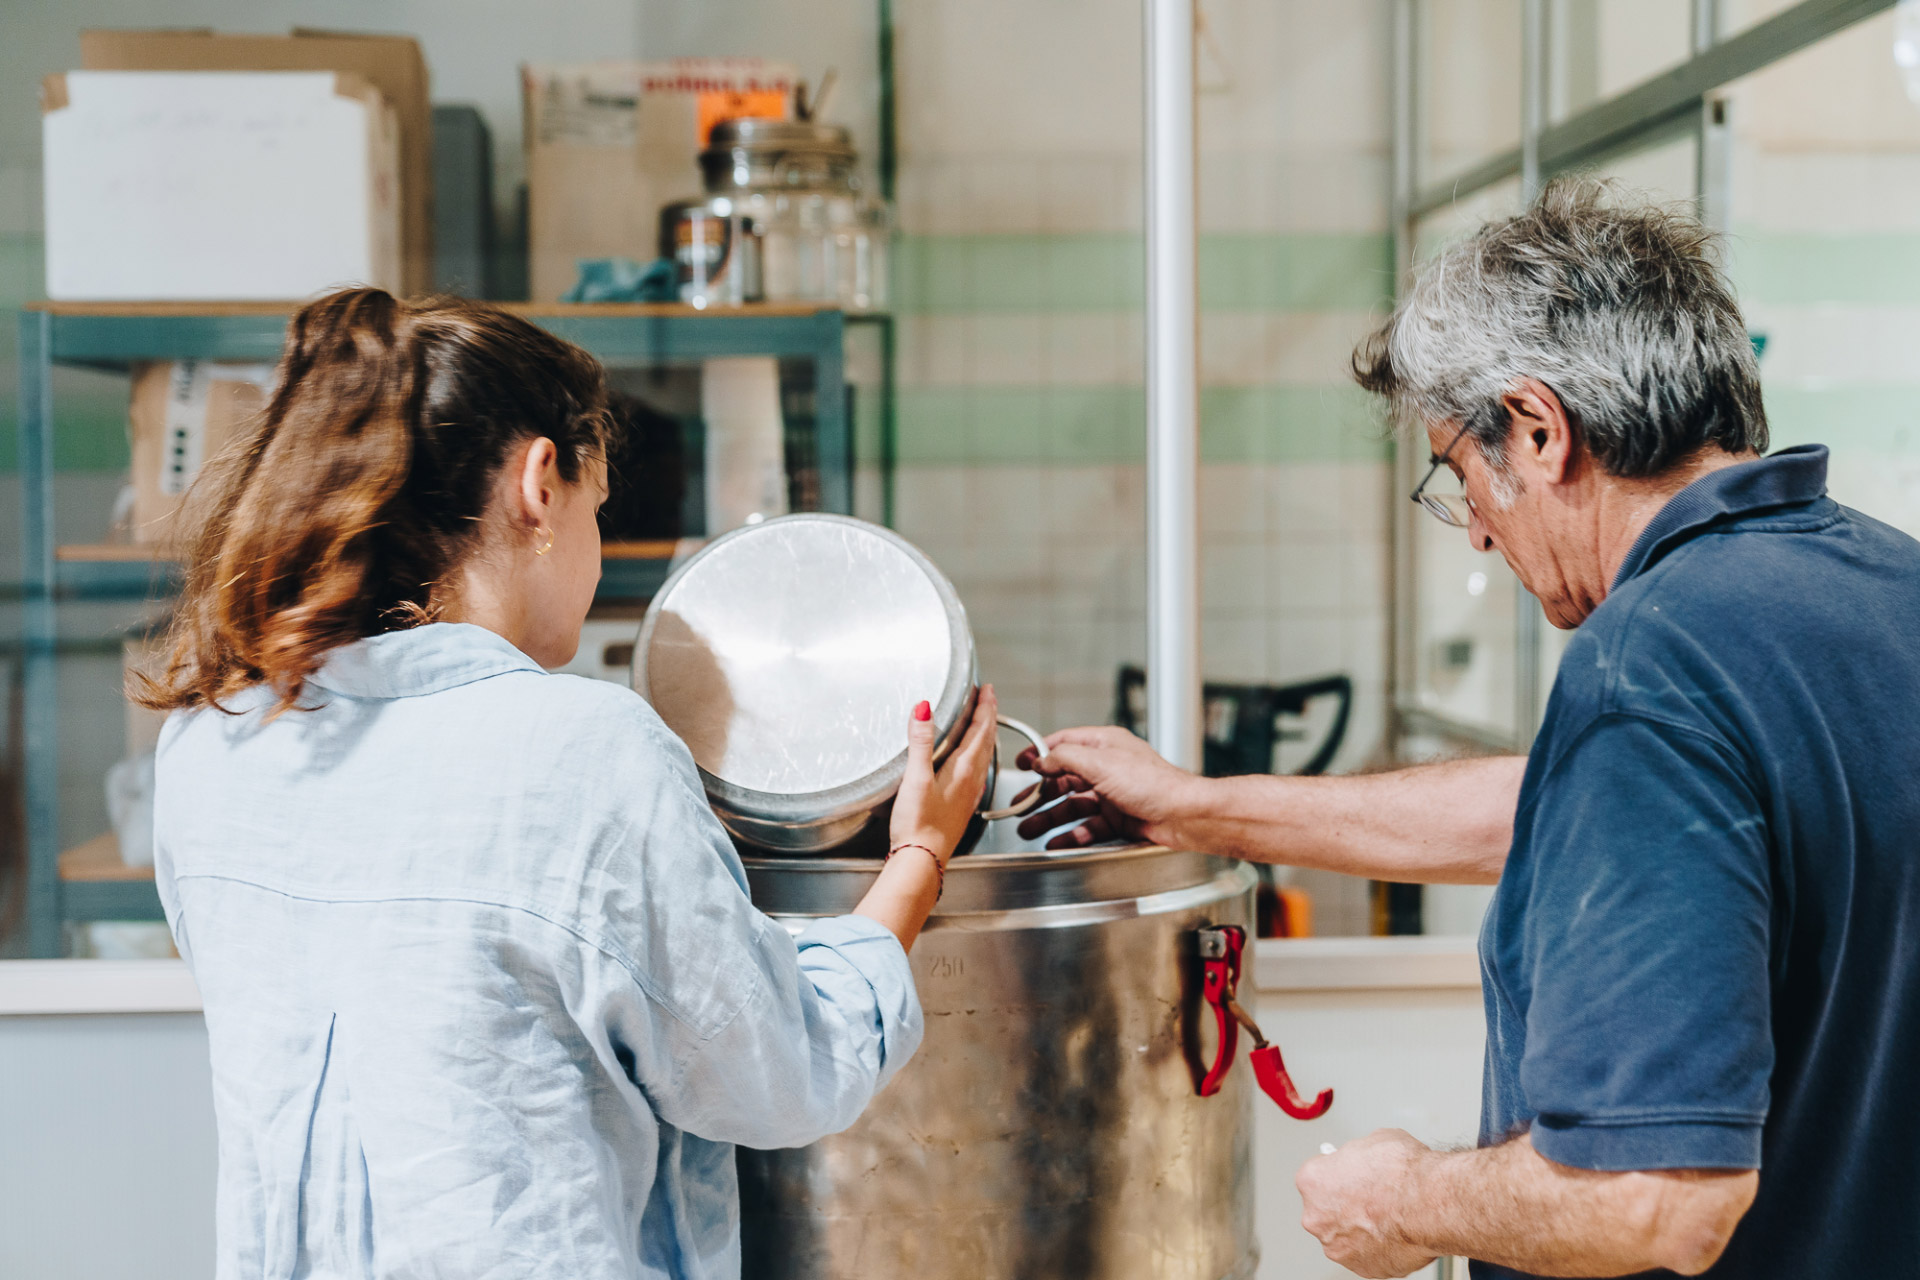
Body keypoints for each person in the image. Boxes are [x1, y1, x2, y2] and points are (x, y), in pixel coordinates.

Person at [1017, 181, 1920, 1278]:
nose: (1479, 534)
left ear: (1538, 429)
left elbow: (1658, 1196)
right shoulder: (1883, 586)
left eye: (1457, 472)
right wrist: (1195, 806)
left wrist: (1404, 1201)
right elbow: (1577, 811)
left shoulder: (1649, 660)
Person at [137, 289, 998, 1280]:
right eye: (599, 505)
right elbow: (781, 1074)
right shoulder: (586, 752)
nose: (596, 544)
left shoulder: (211, 739)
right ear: (540, 483)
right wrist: (919, 852)